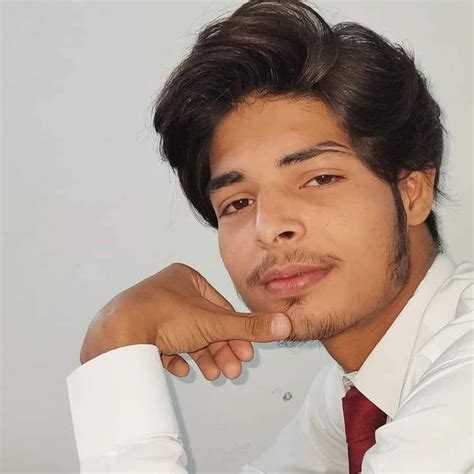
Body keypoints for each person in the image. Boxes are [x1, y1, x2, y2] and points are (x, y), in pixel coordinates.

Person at [66, 1, 473, 472]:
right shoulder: (350, 394)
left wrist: (115, 342)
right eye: (238, 203)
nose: (268, 228)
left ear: (412, 192)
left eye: (319, 179)